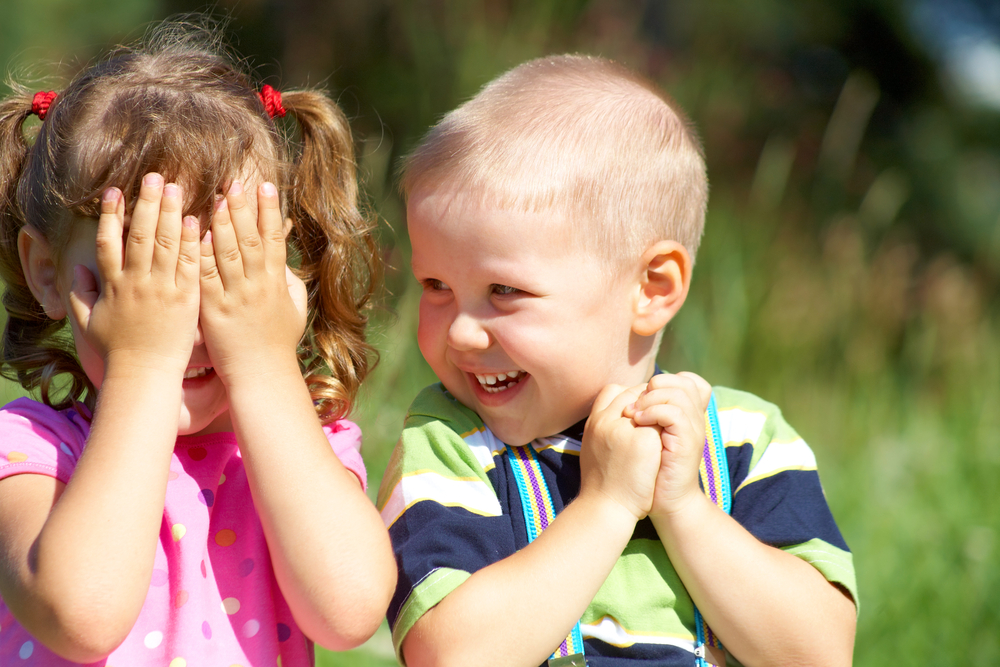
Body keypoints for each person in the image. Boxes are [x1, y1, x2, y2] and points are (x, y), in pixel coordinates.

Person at [377, 54, 858, 667]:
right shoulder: (450, 443)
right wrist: (606, 506)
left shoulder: (741, 440)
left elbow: (820, 653)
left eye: (504, 291)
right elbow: (449, 657)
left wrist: (683, 507)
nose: (462, 333)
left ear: (652, 289)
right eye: (435, 285)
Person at [0, 22, 396, 666]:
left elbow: (349, 612)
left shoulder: (298, 449)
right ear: (47, 273)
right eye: (144, 282)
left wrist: (264, 366)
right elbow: (82, 617)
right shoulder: (30, 451)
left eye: (223, 277)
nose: (179, 327)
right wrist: (141, 367)